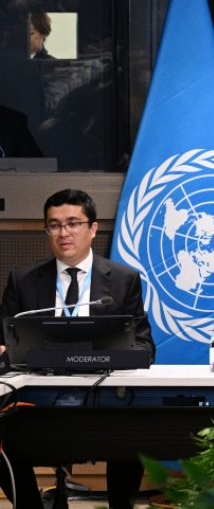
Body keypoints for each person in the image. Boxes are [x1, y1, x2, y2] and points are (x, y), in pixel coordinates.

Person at [0, 189, 155, 509]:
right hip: (36, 401)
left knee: (133, 430)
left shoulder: (123, 280)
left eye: (73, 223)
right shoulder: (23, 280)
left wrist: (102, 358)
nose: (63, 233)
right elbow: (6, 344)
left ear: (93, 228)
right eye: (54, 225)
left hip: (104, 401)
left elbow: (144, 347)